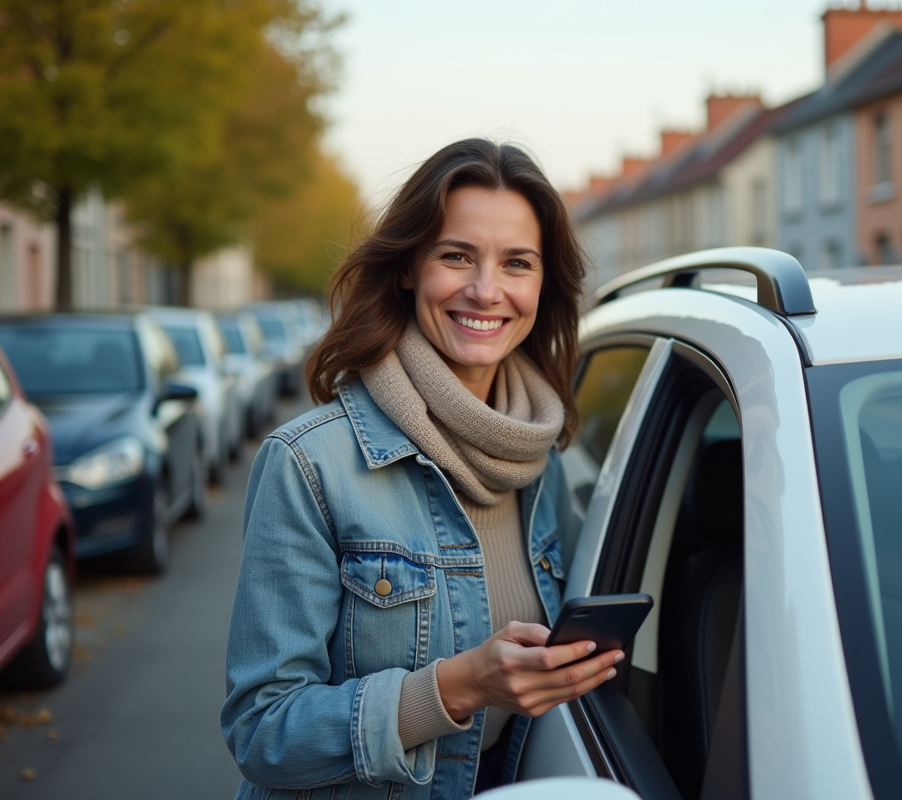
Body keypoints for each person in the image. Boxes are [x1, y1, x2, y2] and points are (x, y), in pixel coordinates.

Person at [221, 139, 623, 799]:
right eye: (456, 256)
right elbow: (263, 731)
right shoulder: (310, 463)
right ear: (410, 268)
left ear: (543, 284)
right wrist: (460, 685)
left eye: (516, 263)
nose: (485, 290)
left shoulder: (541, 459)